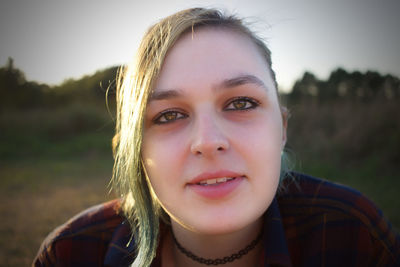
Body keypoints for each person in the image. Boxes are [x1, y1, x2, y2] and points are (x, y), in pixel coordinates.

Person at [33, 7, 400, 267]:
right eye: (169, 115)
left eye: (241, 103)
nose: (208, 142)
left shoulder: (353, 234)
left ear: (282, 129)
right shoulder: (71, 254)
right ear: (136, 149)